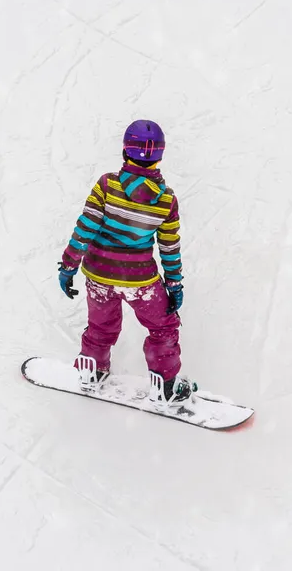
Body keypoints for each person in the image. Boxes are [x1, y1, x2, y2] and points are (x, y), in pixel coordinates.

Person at [57, 120, 193, 404]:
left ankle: (92, 371)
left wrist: (69, 265)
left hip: (99, 276)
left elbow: (86, 227)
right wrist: (174, 284)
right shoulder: (166, 200)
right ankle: (165, 386)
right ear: (160, 155)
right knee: (163, 328)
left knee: (101, 327)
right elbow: (169, 246)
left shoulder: (107, 185)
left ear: (125, 151)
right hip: (139, 281)